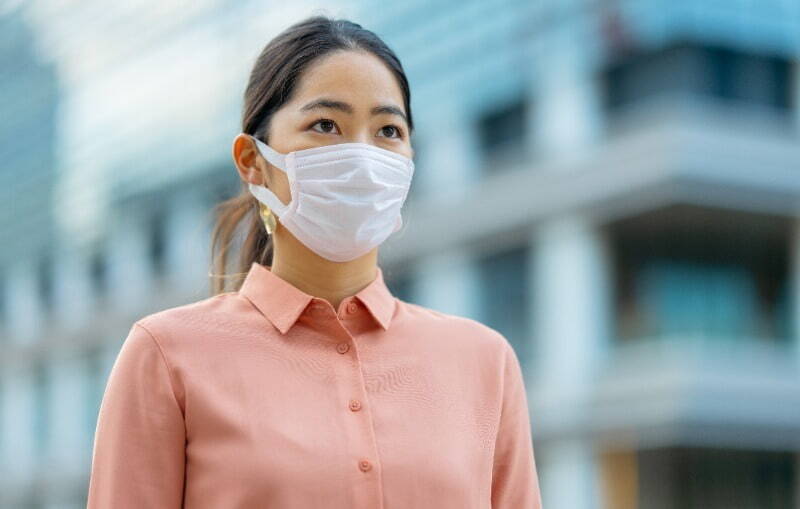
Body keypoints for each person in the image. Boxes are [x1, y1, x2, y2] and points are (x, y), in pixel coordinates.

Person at [86, 14, 542, 509]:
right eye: (326, 125)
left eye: (388, 130)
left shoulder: (483, 361)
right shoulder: (167, 355)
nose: (363, 158)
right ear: (252, 162)